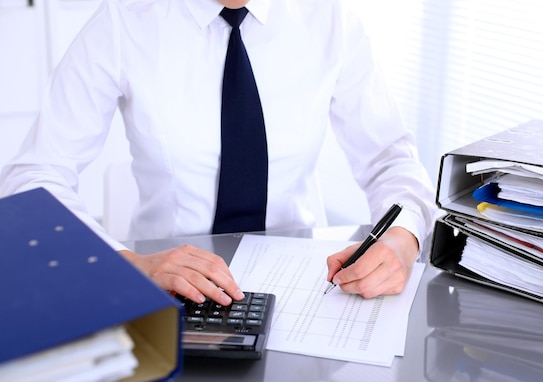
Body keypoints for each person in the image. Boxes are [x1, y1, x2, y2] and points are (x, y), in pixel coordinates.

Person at [0, 0, 438, 306]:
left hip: (308, 288)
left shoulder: (329, 18)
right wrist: (129, 264)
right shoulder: (125, 21)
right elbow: (34, 178)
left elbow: (390, 159)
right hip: (167, 287)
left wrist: (403, 237)